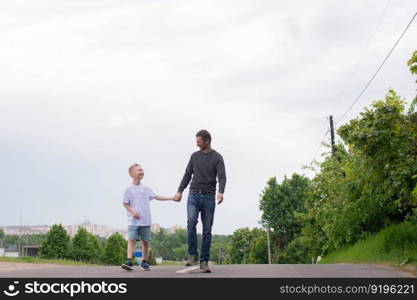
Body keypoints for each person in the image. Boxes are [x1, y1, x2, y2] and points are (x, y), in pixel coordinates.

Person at [174, 129, 226, 273]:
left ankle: (204, 261)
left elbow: (222, 176)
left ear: (207, 141)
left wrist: (221, 192)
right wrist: (180, 191)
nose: (196, 144)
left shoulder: (217, 157)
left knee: (207, 230)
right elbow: (187, 174)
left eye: (199, 141)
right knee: (191, 222)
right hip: (193, 195)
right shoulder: (194, 156)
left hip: (209, 197)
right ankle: (192, 255)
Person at [121, 163, 177, 271]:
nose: (141, 172)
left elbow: (156, 197)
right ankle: (129, 261)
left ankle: (144, 262)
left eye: (142, 170)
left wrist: (171, 198)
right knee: (131, 239)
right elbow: (125, 203)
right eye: (139, 170)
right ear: (132, 174)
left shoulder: (146, 189)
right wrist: (133, 212)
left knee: (145, 242)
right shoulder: (128, 189)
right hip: (133, 221)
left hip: (145, 220)